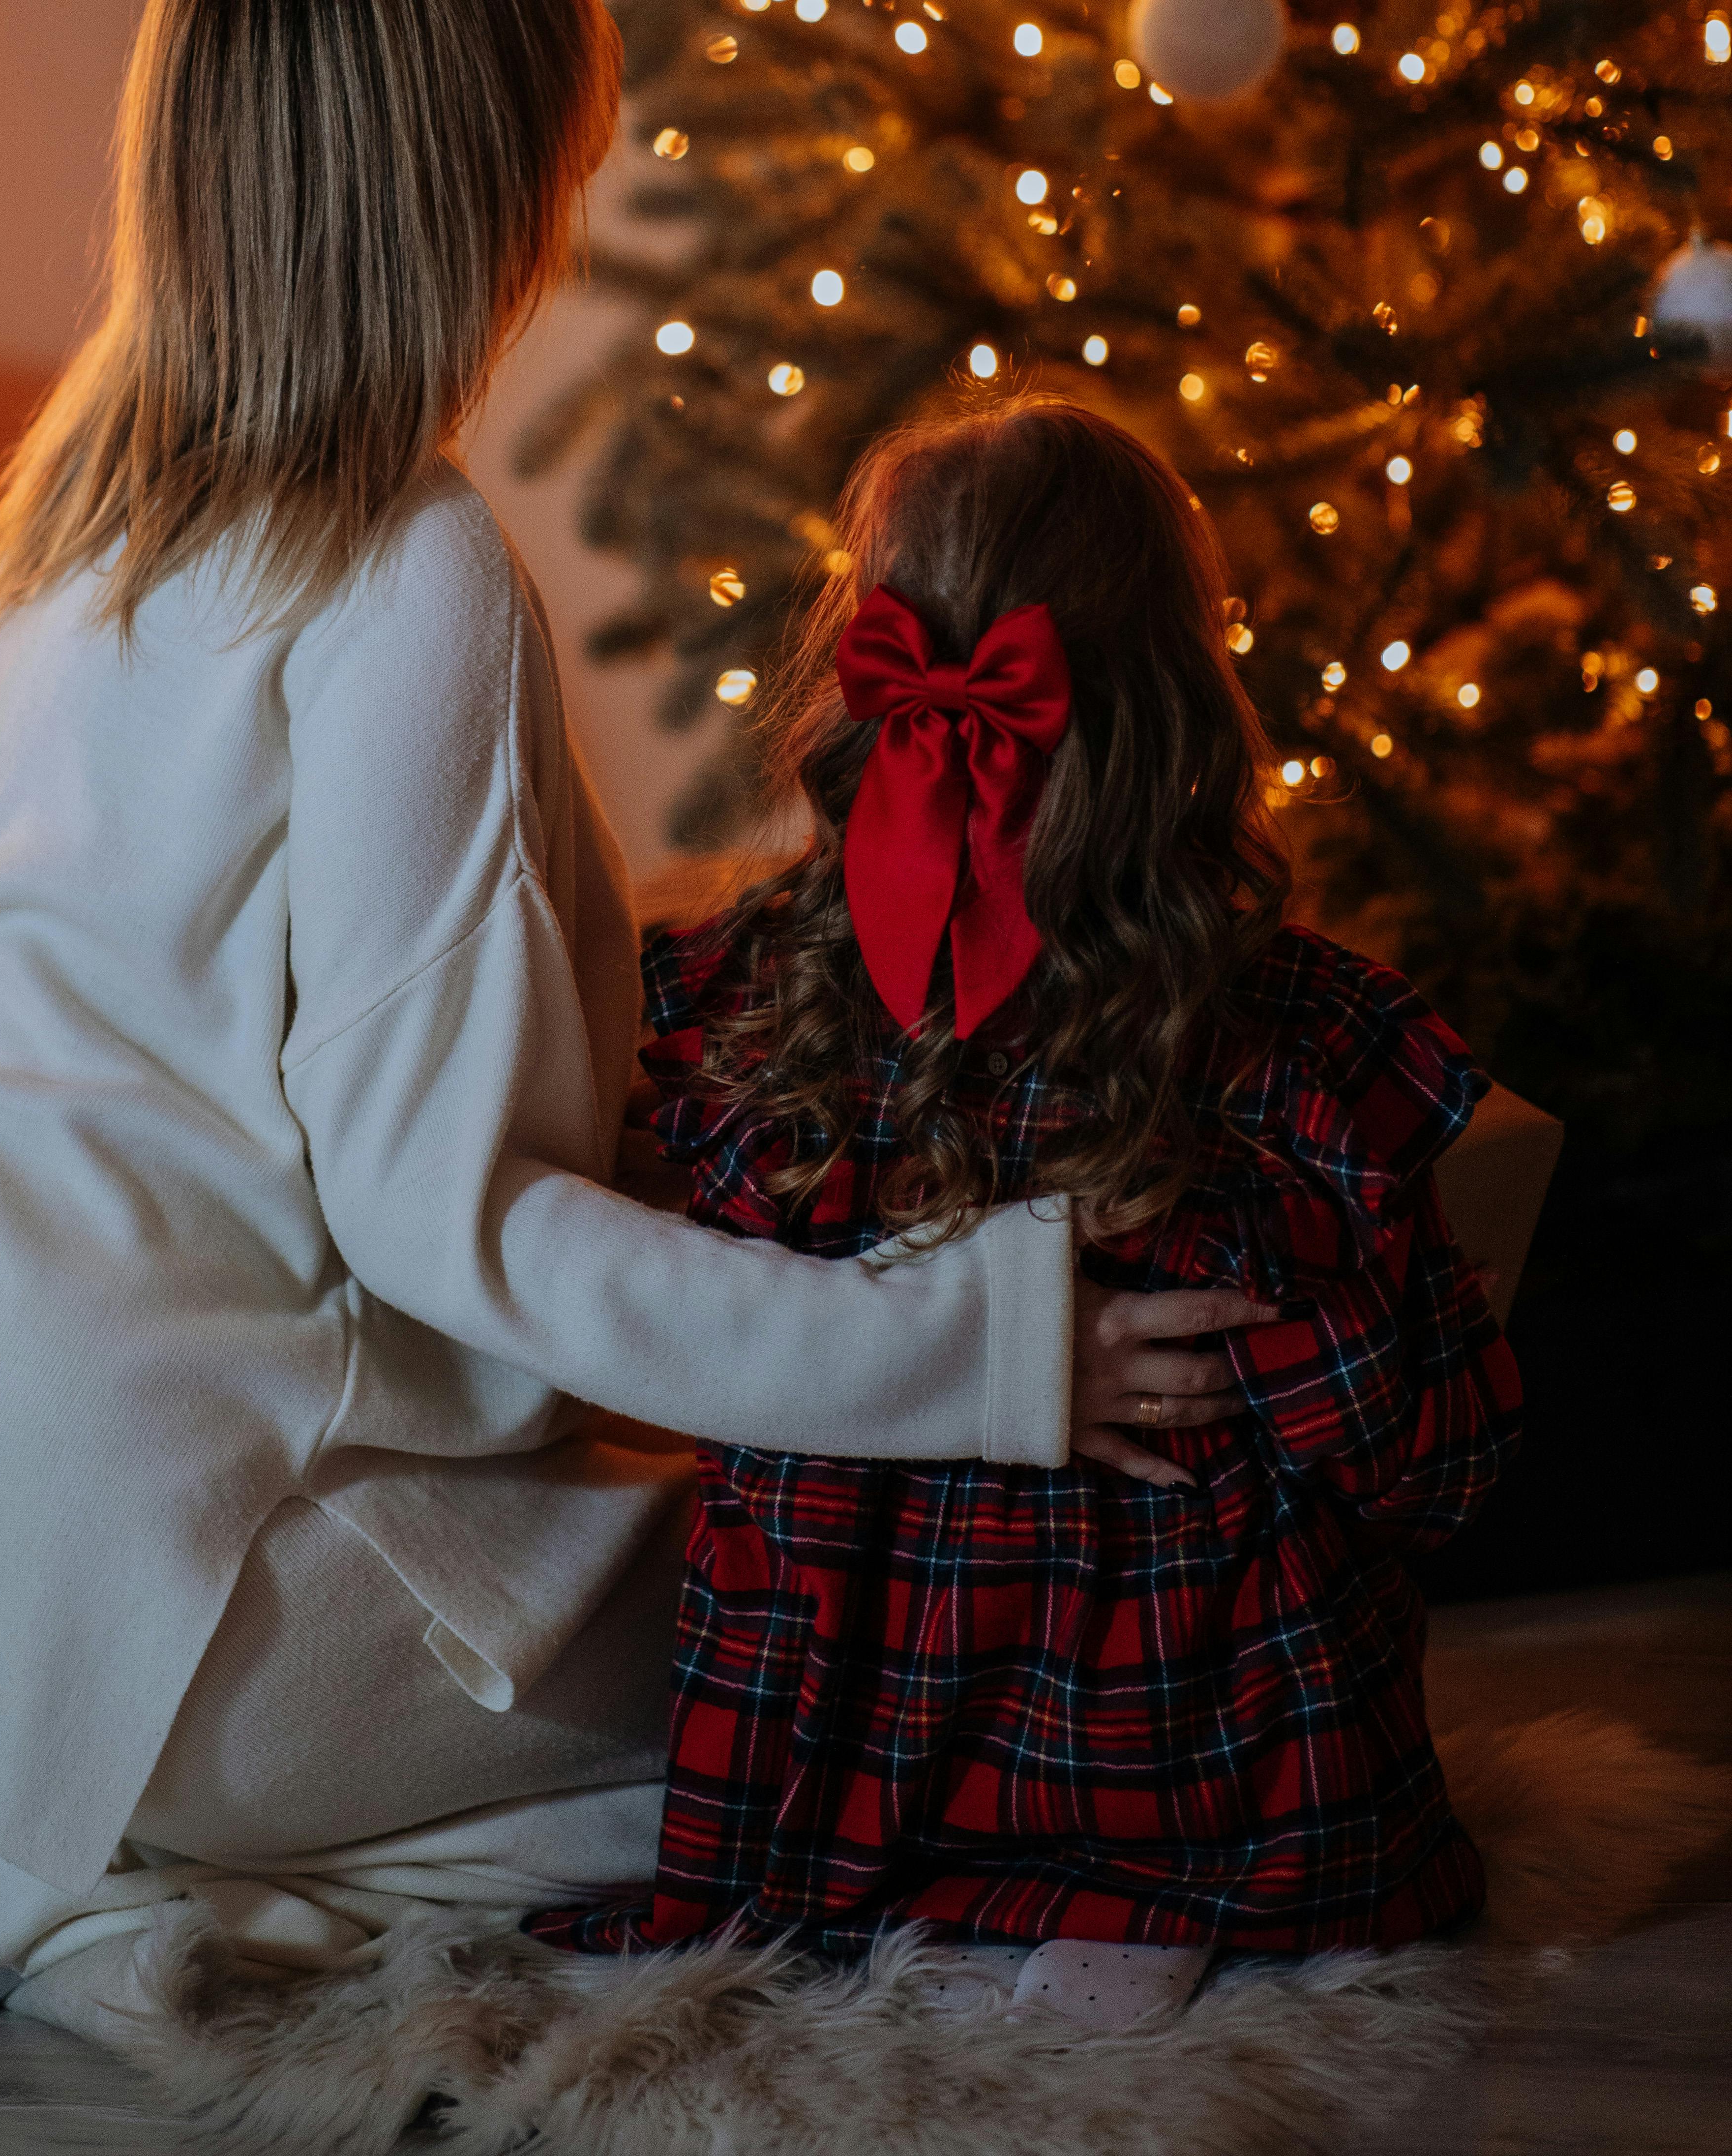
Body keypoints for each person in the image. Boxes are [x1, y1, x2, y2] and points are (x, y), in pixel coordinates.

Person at [0, 0, 1268, 2057]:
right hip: (140, 1587)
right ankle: (43, 1867)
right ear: (501, 167)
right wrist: (979, 1353)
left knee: (592, 1536)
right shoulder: (408, 584)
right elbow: (454, 1231)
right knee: (800, 1677)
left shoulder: (81, 505)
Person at [530, 401, 1522, 2032]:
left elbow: (680, 1316)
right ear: (1180, 681)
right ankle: (1124, 1902)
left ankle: (933, 1920)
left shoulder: (744, 1016)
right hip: (1202, 1768)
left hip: (833, 1767)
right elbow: (1433, 1459)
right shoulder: (1293, 1048)